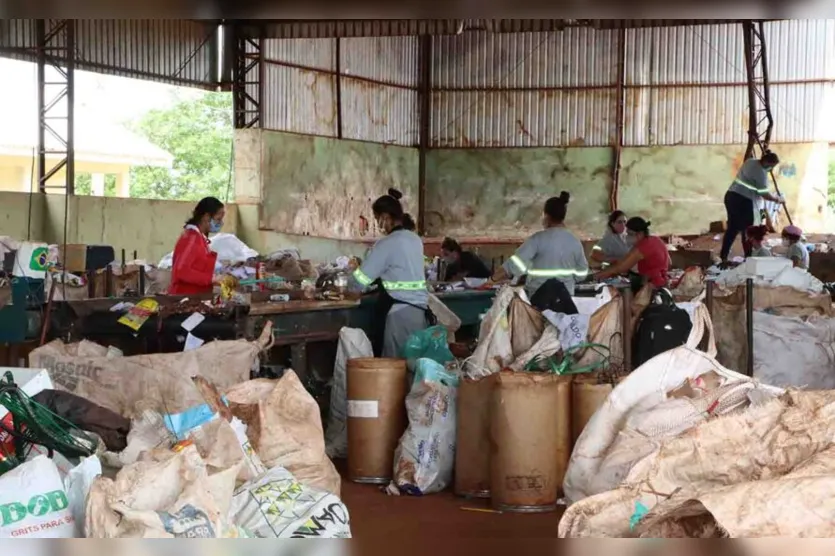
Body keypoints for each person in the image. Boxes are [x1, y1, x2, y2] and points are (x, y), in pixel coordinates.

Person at [351, 188, 433, 358]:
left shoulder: (387, 244)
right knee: (414, 366)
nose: (378, 224)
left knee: (395, 370)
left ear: (385, 217)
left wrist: (344, 286)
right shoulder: (415, 240)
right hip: (419, 314)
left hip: (399, 315)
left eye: (377, 219)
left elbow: (360, 280)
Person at [489, 192, 588, 307]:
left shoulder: (537, 239)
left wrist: (491, 280)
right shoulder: (574, 241)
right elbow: (582, 274)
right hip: (566, 301)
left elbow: (513, 266)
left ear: (546, 216)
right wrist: (567, 280)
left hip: (539, 301)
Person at [721, 151, 784, 264]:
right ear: (768, 162)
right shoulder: (761, 174)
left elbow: (759, 197)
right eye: (772, 166)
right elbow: (764, 194)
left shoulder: (750, 162)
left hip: (731, 196)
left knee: (732, 228)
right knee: (747, 230)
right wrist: (777, 199)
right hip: (743, 201)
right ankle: (749, 258)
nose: (771, 169)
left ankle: (724, 256)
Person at [595, 217, 670, 291]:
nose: (627, 237)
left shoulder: (643, 246)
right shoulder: (654, 239)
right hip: (661, 282)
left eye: (629, 234)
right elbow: (669, 261)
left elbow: (621, 267)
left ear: (639, 234)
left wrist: (596, 276)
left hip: (653, 285)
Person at [169, 197, 225, 295]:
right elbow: (181, 271)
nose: (220, 223)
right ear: (206, 216)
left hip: (195, 296)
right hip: (184, 297)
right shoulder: (191, 238)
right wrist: (212, 279)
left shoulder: (199, 237)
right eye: (218, 219)